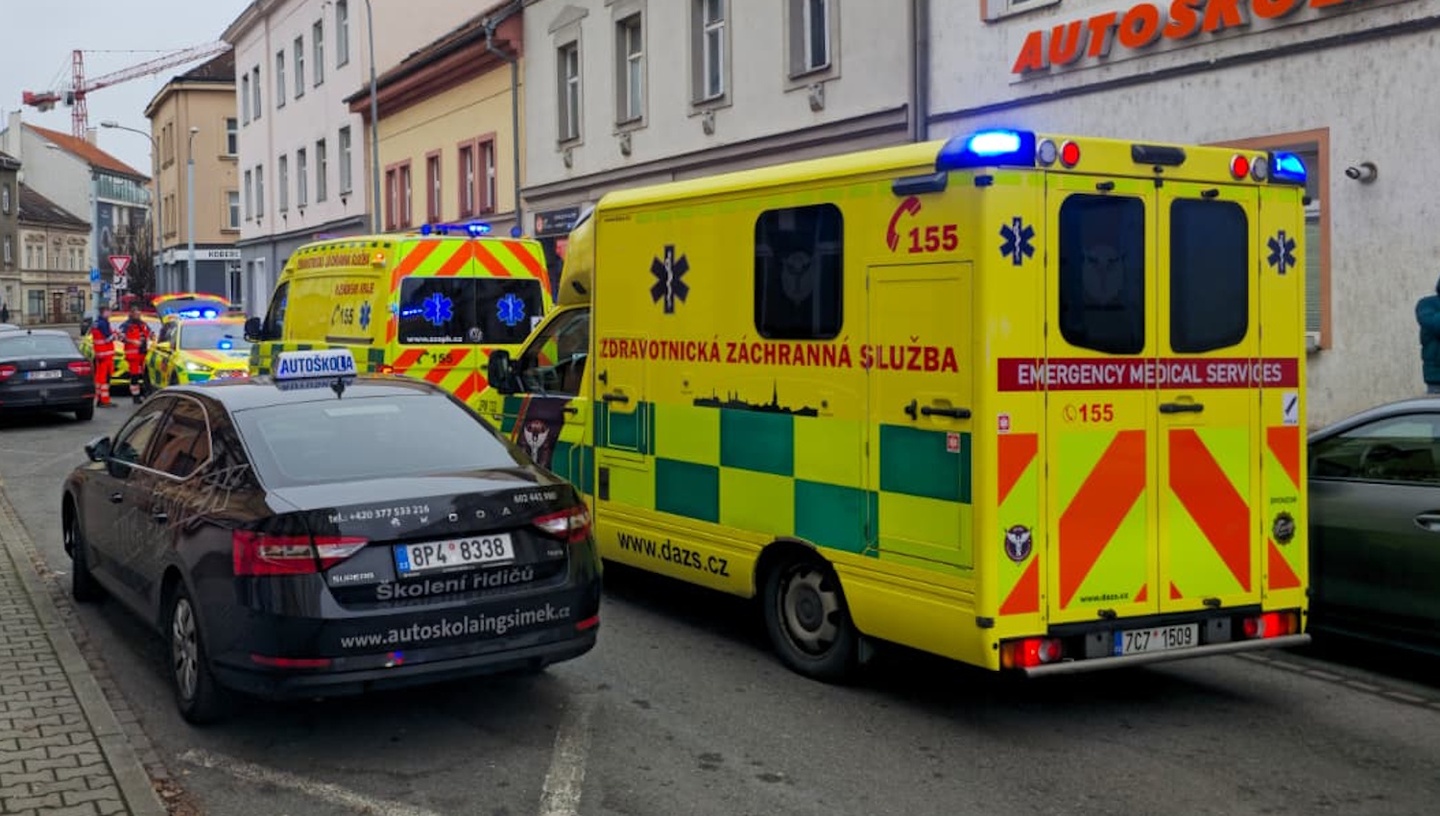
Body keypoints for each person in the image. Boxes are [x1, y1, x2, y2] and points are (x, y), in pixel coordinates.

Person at [118, 305, 154, 404]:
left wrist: (152, 337)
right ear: (131, 314)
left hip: (144, 354)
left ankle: (146, 394)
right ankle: (136, 396)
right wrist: (132, 341)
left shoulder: (143, 324)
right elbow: (120, 337)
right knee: (134, 377)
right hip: (133, 355)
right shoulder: (126, 325)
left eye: (139, 314)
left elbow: (150, 334)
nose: (138, 316)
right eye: (136, 314)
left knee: (145, 375)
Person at [90, 305, 117, 408]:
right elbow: (107, 338)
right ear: (104, 312)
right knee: (105, 379)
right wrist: (115, 335)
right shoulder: (103, 323)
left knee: (99, 379)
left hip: (100, 355)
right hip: (105, 355)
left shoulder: (96, 323)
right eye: (109, 311)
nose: (110, 313)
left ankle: (100, 399)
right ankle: (104, 401)